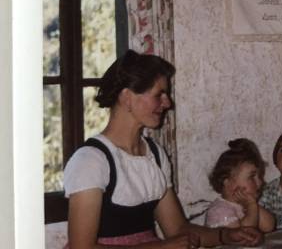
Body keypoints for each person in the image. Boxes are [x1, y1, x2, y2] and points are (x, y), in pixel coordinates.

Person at [63, 50, 261, 248]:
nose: (168, 102)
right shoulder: (90, 161)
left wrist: (225, 236)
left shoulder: (155, 154)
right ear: (127, 98)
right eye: (159, 94)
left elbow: (177, 230)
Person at [205, 139, 275, 233]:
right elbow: (244, 236)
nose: (260, 182)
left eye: (260, 176)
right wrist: (251, 207)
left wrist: (253, 206)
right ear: (227, 181)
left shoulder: (245, 205)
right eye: (252, 177)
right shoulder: (219, 210)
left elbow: (269, 226)